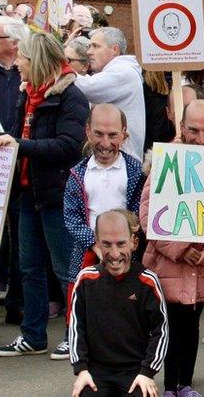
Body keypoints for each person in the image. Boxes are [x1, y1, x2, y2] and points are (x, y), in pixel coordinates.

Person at [0, 32, 89, 359]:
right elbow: (17, 135)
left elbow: (69, 145)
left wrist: (21, 146)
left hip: (57, 194)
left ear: (39, 62)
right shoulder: (28, 94)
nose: (17, 64)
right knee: (29, 267)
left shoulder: (70, 96)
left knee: (66, 270)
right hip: (26, 193)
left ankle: (73, 334)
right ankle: (33, 336)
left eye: (23, 58)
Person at [139, 99, 204, 397]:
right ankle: (169, 385)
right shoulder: (167, 161)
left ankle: (185, 384)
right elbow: (148, 211)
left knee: (191, 327)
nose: (200, 138)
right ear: (182, 128)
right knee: (170, 327)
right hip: (169, 265)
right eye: (193, 130)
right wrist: (180, 248)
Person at [68, 209, 167, 397]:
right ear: (97, 243)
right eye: (106, 244)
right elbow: (75, 327)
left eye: (121, 244)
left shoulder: (148, 281)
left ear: (134, 243)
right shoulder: (86, 279)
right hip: (96, 371)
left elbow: (160, 331)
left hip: (135, 371)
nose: (114, 254)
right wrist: (81, 369)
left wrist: (147, 372)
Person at [64, 104, 145, 293]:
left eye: (112, 135)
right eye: (99, 134)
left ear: (124, 134)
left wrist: (123, 244)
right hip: (88, 254)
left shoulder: (136, 171)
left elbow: (140, 212)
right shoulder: (78, 174)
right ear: (88, 132)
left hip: (127, 256)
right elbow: (71, 217)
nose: (106, 143)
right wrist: (95, 243)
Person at [0, 16, 28, 326]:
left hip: (21, 164)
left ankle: (17, 302)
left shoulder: (26, 75)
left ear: (13, 44)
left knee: (20, 238)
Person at [74, 27, 146, 159]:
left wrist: (58, 69)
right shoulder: (119, 71)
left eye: (95, 46)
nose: (89, 52)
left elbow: (85, 87)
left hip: (121, 162)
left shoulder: (123, 71)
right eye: (89, 46)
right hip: (113, 157)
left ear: (115, 50)